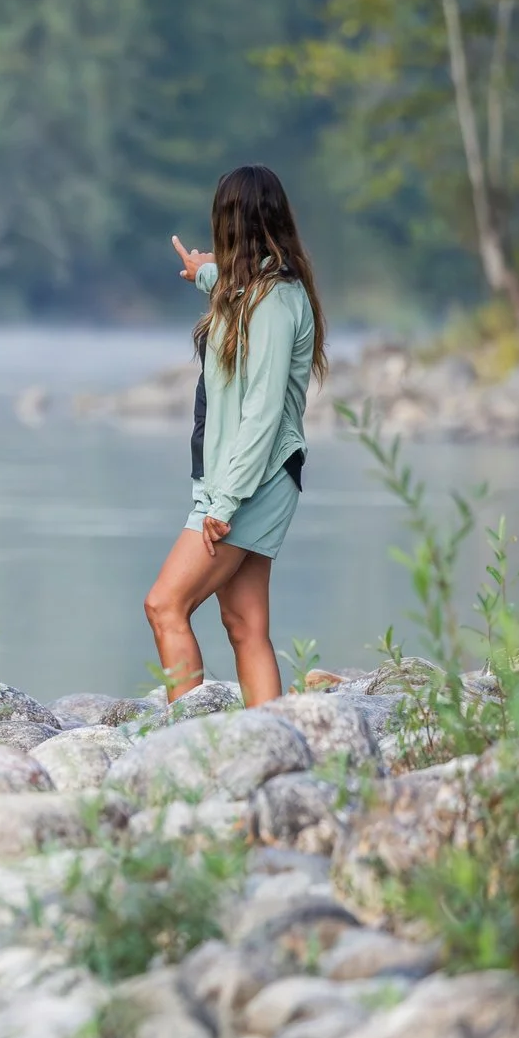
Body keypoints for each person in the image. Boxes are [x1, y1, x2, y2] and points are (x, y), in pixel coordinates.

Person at [144, 164, 329, 707]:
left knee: (165, 605)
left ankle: (192, 741)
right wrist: (203, 273)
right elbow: (231, 291)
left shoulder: (274, 301)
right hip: (246, 479)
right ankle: (271, 739)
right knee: (244, 623)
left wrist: (224, 501)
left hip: (249, 481)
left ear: (233, 222)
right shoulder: (256, 289)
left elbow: (264, 412)